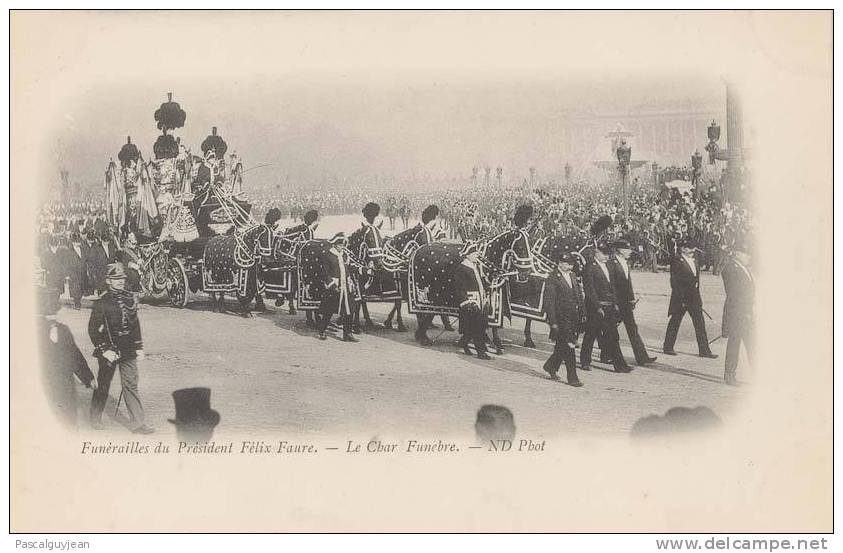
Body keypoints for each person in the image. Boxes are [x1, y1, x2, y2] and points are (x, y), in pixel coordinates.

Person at [88, 263, 154, 434]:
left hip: (128, 349)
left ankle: (138, 423)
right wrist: (104, 349)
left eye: (122, 279)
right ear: (108, 281)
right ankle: (95, 416)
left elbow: (135, 324)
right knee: (104, 384)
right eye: (116, 279)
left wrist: (138, 346)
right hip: (110, 349)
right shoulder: (102, 303)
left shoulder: (129, 298)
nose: (120, 282)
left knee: (131, 385)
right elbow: (93, 330)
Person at [37, 287, 95, 426]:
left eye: (54, 312)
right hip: (43, 388)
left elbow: (74, 355)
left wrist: (88, 377)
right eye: (48, 313)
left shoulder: (63, 330)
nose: (52, 316)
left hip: (65, 388)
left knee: (68, 423)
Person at [662, 238, 718, 358]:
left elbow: (696, 280)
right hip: (681, 298)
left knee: (700, 324)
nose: (692, 250)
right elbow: (675, 282)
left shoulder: (695, 260)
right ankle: (668, 347)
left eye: (693, 248)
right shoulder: (677, 261)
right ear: (682, 248)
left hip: (694, 298)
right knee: (675, 322)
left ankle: (704, 350)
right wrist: (680, 298)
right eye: (689, 248)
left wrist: (697, 297)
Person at [580, 242, 631, 372]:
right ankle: (585, 361)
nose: (607, 256)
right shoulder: (589, 267)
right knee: (590, 335)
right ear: (597, 252)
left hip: (609, 307)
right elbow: (589, 290)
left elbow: (612, 286)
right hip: (596, 307)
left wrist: (615, 303)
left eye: (608, 254)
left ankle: (619, 365)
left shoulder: (609, 266)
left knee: (612, 336)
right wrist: (597, 307)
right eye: (604, 254)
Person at [608, 239, 657, 366]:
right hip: (616, 302)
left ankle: (642, 357)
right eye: (627, 249)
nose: (630, 252)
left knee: (632, 328)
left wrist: (631, 299)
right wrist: (614, 303)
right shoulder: (611, 263)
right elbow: (611, 285)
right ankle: (606, 355)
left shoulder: (625, 263)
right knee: (611, 330)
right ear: (620, 250)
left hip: (626, 302)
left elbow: (628, 284)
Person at [542, 251, 584, 386]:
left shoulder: (572, 275)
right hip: (560, 319)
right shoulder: (553, 278)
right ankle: (573, 378)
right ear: (559, 263)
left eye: (571, 264)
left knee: (561, 347)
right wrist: (553, 322)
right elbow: (549, 302)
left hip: (573, 317)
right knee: (569, 346)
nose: (569, 267)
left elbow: (578, 295)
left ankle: (551, 366)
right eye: (566, 264)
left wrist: (582, 312)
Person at [721, 242, 754, 385]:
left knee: (752, 343)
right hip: (736, 312)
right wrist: (744, 310)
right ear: (737, 253)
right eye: (746, 254)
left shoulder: (744, 268)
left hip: (746, 312)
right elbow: (734, 293)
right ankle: (729, 374)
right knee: (734, 343)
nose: (749, 256)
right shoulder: (730, 269)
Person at [454, 244, 490, 360]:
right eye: (475, 254)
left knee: (473, 328)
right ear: (468, 255)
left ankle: (464, 343)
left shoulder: (475, 266)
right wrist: (467, 302)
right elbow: (459, 288)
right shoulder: (462, 268)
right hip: (470, 303)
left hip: (479, 300)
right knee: (477, 328)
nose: (477, 255)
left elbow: (480, 283)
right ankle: (481, 352)